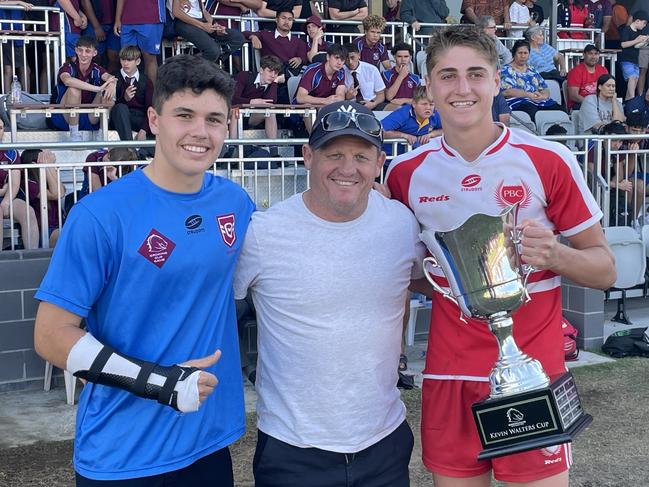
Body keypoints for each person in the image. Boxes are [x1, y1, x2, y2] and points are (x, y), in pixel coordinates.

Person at [386, 25, 615, 487]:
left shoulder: (546, 159)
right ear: (428, 86)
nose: (462, 88)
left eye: (475, 73)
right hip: (449, 375)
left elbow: (605, 269)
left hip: (531, 374)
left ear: (496, 80)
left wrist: (555, 254)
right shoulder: (405, 173)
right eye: (447, 75)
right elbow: (412, 274)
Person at [33, 55, 255, 485]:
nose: (199, 132)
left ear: (228, 126)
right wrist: (161, 383)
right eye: (184, 115)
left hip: (207, 445)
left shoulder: (235, 203)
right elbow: (49, 335)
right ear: (154, 119)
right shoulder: (101, 214)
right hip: (123, 454)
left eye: (214, 119)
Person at [234, 100, 425, 487]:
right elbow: (218, 306)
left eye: (361, 156)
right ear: (307, 156)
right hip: (293, 449)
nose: (347, 168)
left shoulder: (401, 224)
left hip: (383, 442)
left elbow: (408, 285)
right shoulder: (263, 233)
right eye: (333, 154)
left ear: (379, 162)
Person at [51, 35, 117, 141]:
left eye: (87, 51)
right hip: (65, 117)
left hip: (89, 117)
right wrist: (97, 88)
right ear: (76, 50)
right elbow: (67, 80)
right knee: (74, 89)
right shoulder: (68, 67)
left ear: (94, 53)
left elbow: (111, 78)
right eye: (80, 50)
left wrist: (112, 84)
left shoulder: (96, 69)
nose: (83, 54)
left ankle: (102, 133)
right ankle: (74, 134)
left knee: (108, 91)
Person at [500, 40, 564, 119]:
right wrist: (528, 95)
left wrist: (543, 96)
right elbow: (507, 92)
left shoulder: (532, 70)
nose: (523, 56)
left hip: (537, 100)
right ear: (514, 54)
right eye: (520, 53)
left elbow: (544, 88)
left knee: (560, 110)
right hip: (517, 101)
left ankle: (556, 131)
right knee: (531, 109)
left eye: (525, 53)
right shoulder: (505, 70)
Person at [0, 120, 38, 250]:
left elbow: (15, 182)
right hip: (3, 194)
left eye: (0, 128)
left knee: (28, 212)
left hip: (7, 197)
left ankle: (32, 256)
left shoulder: (11, 153)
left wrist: (5, 201)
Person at [171, 0, 245, 64]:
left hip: (202, 20)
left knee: (238, 37)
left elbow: (204, 11)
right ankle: (189, 69)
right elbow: (176, 12)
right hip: (184, 22)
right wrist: (203, 25)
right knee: (212, 51)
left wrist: (215, 25)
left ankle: (211, 57)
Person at [18, 149, 66, 247]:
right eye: (44, 159)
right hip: (43, 231)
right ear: (33, 163)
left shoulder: (45, 179)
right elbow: (56, 194)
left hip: (58, 226)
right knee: (69, 236)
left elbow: (62, 191)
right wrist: (46, 166)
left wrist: (50, 168)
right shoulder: (27, 182)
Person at [230, 54, 282, 140]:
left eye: (276, 73)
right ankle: (232, 148)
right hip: (233, 114)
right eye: (270, 71)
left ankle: (274, 150)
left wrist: (275, 82)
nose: (273, 75)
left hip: (252, 116)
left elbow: (271, 102)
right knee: (236, 111)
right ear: (261, 70)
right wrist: (251, 102)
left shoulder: (272, 83)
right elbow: (233, 99)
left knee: (270, 112)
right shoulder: (244, 76)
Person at [110, 45, 153, 141]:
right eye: (123, 60)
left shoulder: (146, 81)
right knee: (121, 108)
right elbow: (110, 107)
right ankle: (130, 149)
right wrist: (124, 99)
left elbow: (151, 108)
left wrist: (143, 130)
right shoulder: (113, 78)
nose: (125, 63)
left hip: (139, 119)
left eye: (129, 60)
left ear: (137, 61)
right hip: (118, 118)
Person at [114, 0, 165, 82]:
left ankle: (152, 93)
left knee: (149, 58)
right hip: (126, 18)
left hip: (151, 17)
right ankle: (127, 93)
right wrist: (117, 19)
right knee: (127, 57)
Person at [382, 85, 442, 152]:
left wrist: (431, 134)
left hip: (418, 156)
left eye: (431, 104)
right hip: (391, 156)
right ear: (414, 104)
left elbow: (450, 130)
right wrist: (403, 135)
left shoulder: (435, 114)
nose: (428, 108)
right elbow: (380, 131)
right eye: (424, 104)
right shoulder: (403, 114)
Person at [80, 0, 120, 72]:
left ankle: (108, 81)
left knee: (114, 56)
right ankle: (93, 81)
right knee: (94, 57)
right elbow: (85, 2)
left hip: (114, 23)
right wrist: (96, 26)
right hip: (94, 23)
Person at [343, 42, 385, 109]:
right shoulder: (341, 72)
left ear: (359, 55)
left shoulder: (372, 69)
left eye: (352, 57)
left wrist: (374, 103)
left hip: (371, 104)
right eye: (346, 58)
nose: (350, 62)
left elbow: (381, 94)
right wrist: (347, 97)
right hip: (349, 106)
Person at [566, 44, 608, 110]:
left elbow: (607, 90)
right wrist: (593, 104)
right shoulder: (576, 71)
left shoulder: (603, 70)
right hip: (580, 104)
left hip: (599, 104)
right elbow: (573, 96)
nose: (593, 57)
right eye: (590, 54)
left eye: (596, 54)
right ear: (584, 55)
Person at [619, 9, 649, 99]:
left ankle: (628, 104)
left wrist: (645, 41)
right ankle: (632, 100)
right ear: (637, 21)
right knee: (632, 78)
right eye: (644, 23)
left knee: (635, 80)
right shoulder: (627, 30)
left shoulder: (639, 32)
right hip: (626, 60)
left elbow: (637, 45)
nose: (644, 26)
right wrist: (637, 40)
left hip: (635, 61)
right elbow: (623, 44)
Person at [382, 41, 421, 111]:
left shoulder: (416, 78)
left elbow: (419, 100)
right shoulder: (386, 74)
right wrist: (401, 76)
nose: (403, 59)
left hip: (410, 109)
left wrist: (403, 100)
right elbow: (389, 97)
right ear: (394, 57)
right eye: (399, 56)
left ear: (410, 58)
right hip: (391, 109)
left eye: (406, 56)